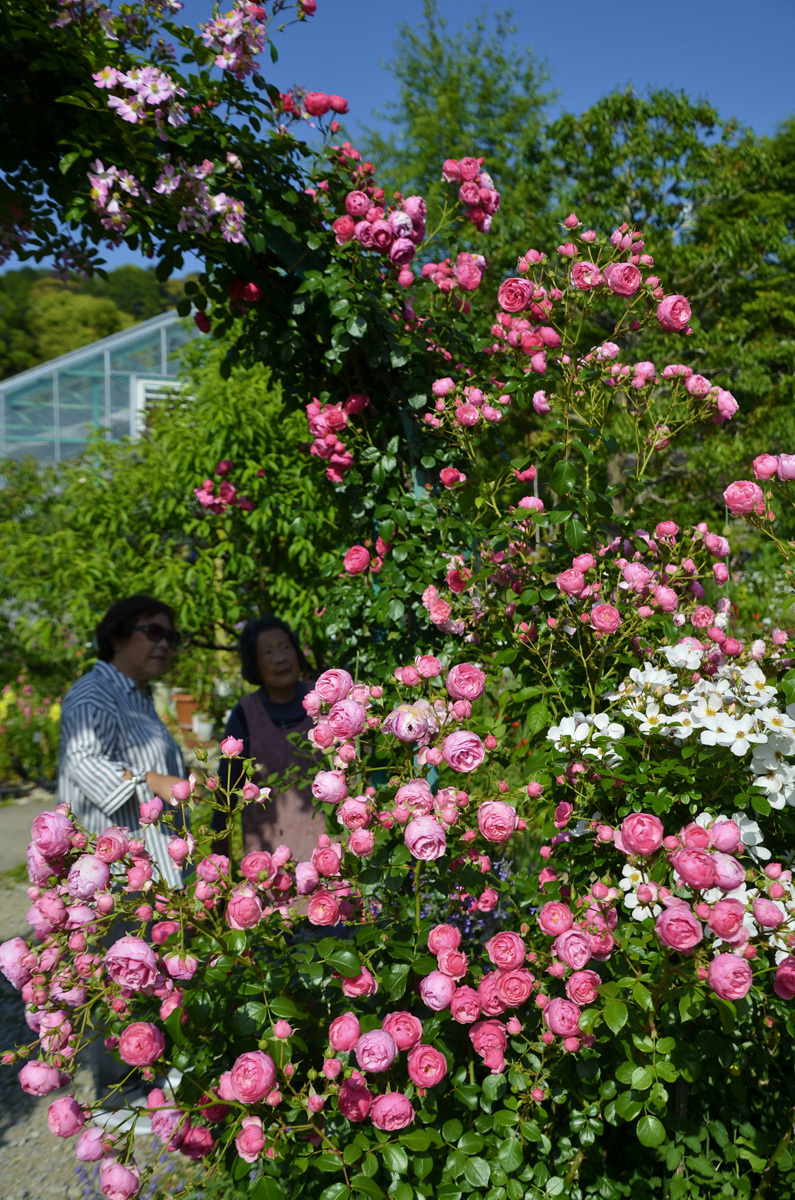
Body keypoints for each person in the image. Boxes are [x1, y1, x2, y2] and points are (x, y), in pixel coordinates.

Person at [57, 594, 189, 889]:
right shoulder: (94, 692)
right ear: (118, 638)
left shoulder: (136, 695)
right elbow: (83, 760)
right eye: (155, 632)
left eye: (171, 636)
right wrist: (153, 780)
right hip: (117, 880)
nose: (165, 644)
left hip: (151, 868)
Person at [212, 615, 325, 863]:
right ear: (255, 663)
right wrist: (218, 861)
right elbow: (227, 791)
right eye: (268, 651)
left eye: (286, 647)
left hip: (328, 847)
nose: (281, 657)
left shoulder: (323, 700)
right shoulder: (244, 714)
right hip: (270, 857)